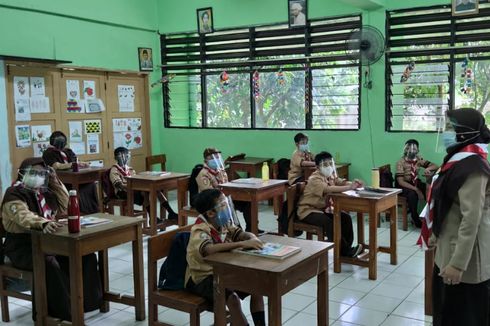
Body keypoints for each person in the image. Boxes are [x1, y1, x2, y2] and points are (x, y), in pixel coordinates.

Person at [1, 157, 102, 321]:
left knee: (85, 255)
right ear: (22, 173)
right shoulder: (13, 192)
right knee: (48, 262)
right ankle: (58, 312)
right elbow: (22, 216)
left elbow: (65, 204)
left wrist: (55, 180)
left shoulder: (44, 192)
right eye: (33, 173)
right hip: (23, 247)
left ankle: (88, 304)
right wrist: (42, 223)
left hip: (48, 242)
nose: (38, 176)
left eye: (42, 173)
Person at [417, 108, 490, 326]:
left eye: (450, 127)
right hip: (447, 248)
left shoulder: (474, 167)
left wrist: (458, 265)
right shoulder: (457, 161)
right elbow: (447, 206)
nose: (445, 132)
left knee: (463, 316)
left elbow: (471, 220)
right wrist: (436, 235)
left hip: (466, 263)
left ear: (464, 132)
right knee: (444, 313)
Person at [185, 189, 265, 326]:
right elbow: (208, 249)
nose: (227, 208)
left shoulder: (223, 222)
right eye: (223, 205)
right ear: (210, 213)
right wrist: (241, 243)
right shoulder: (200, 229)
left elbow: (239, 233)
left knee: (256, 286)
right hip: (203, 277)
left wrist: (251, 237)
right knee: (232, 299)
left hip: (224, 271)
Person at [297, 151, 363, 257]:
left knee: (345, 218)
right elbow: (328, 189)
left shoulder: (330, 176)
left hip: (321, 210)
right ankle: (345, 250)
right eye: (325, 164)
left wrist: (354, 184)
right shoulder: (315, 178)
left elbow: (340, 182)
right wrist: (349, 187)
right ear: (318, 166)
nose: (329, 166)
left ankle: (346, 249)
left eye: (330, 163)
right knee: (329, 223)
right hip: (308, 211)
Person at [196, 147, 261, 233]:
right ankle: (234, 230)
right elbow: (209, 195)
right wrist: (224, 195)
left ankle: (251, 228)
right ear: (205, 161)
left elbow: (226, 184)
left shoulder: (220, 171)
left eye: (217, 157)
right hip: (212, 202)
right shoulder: (203, 174)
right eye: (211, 158)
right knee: (226, 204)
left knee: (247, 202)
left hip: (224, 196)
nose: (215, 160)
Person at [109, 147, 178, 220]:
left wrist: (139, 185)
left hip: (133, 189)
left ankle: (171, 212)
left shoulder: (129, 169)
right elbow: (120, 186)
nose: (128, 158)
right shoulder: (114, 170)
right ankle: (153, 218)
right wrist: (135, 187)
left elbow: (136, 179)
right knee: (145, 192)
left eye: (128, 155)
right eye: (127, 155)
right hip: (123, 193)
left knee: (156, 190)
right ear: (119, 156)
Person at [42, 131, 99, 214]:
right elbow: (56, 166)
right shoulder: (48, 153)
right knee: (75, 189)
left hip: (74, 176)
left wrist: (82, 164)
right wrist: (71, 165)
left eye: (62, 141)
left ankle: (92, 210)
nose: (61, 144)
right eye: (58, 141)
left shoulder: (68, 151)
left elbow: (76, 160)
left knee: (91, 184)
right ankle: (77, 210)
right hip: (60, 180)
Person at [395, 139, 438, 227]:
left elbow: (435, 166)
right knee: (412, 194)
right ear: (404, 149)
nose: (411, 151)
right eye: (408, 148)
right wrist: (417, 190)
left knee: (431, 189)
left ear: (417, 150)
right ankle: (415, 218)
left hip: (415, 182)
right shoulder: (400, 162)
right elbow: (400, 181)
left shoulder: (419, 159)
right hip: (404, 184)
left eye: (414, 149)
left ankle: (429, 216)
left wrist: (427, 169)